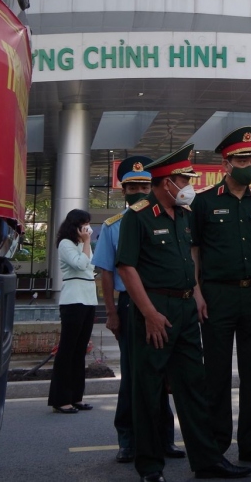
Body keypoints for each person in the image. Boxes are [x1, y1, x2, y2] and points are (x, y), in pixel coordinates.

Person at [116, 144, 251, 482]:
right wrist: (148, 313)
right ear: (166, 182)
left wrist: (196, 296)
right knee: (148, 390)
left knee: (193, 387)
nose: (189, 184)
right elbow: (126, 268)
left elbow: (191, 260)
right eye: (183, 178)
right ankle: (150, 467)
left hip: (186, 308)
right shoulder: (139, 215)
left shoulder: (186, 215)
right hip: (155, 310)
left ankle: (207, 460)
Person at [192, 127, 251, 466]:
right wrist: (197, 293)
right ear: (225, 164)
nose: (249, 165)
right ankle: (216, 445)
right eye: (242, 159)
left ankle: (250, 445)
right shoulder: (204, 201)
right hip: (217, 296)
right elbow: (195, 251)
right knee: (216, 375)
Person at [93, 156, 179, 463]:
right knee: (132, 376)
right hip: (130, 307)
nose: (139, 191)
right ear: (122, 190)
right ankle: (127, 440)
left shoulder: (169, 218)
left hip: (164, 303)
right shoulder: (114, 225)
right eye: (132, 186)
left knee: (164, 374)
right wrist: (112, 314)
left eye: (144, 185)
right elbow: (106, 272)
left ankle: (165, 439)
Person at [48, 208, 99, 414]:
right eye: (84, 224)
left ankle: (76, 397)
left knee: (80, 350)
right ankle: (61, 399)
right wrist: (87, 242)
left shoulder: (80, 244)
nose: (87, 228)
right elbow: (80, 264)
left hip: (88, 297)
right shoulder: (66, 244)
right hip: (73, 299)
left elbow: (90, 265)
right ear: (75, 225)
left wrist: (85, 244)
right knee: (67, 350)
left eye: (88, 223)